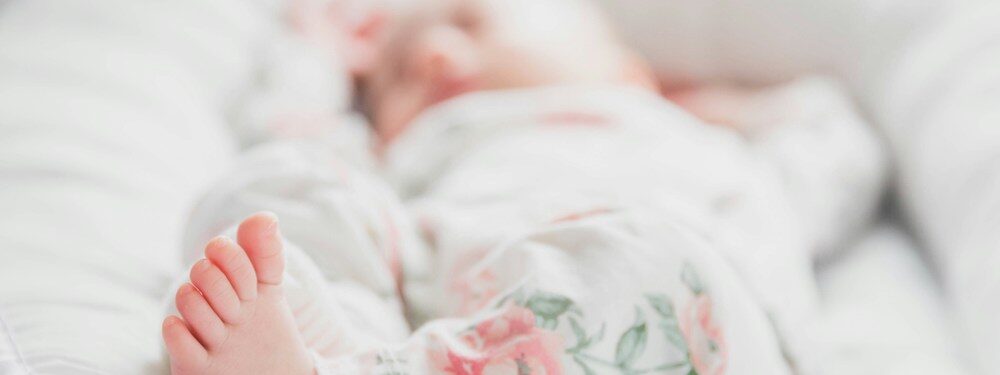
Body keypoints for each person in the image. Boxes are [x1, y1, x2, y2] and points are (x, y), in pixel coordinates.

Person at [161, 0, 885, 373]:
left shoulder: (696, 148)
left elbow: (840, 144)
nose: (439, 51)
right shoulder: (410, 153)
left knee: (648, 264)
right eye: (401, 73)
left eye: (473, 18)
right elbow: (293, 128)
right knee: (278, 190)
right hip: (436, 312)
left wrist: (693, 104)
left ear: (623, 60)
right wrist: (318, 51)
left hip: (688, 335)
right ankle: (334, 353)